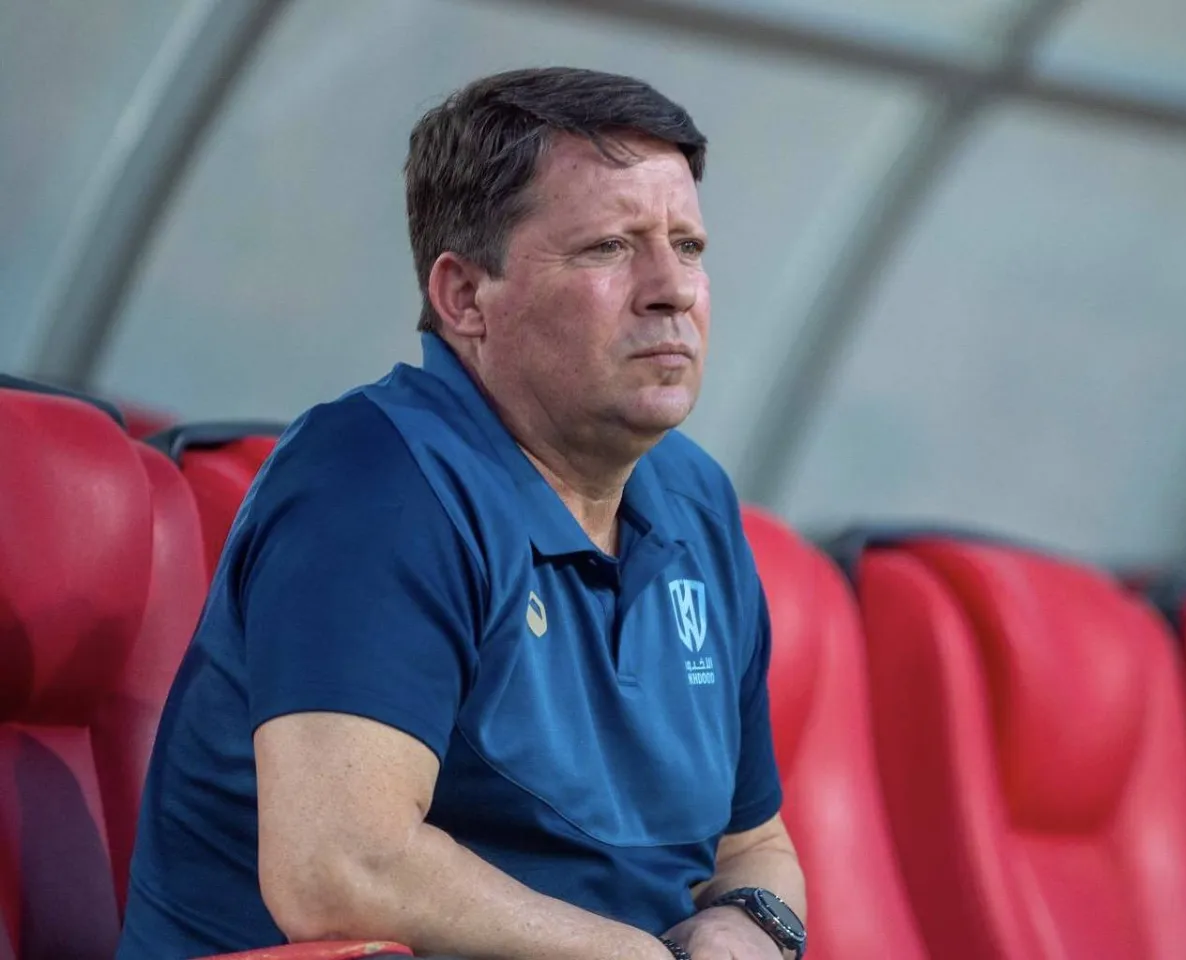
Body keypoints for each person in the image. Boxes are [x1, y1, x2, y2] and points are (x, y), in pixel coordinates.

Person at [117, 66, 807, 960]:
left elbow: (753, 843)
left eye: (689, 246)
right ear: (464, 298)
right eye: (609, 247)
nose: (671, 287)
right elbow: (342, 870)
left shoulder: (696, 501)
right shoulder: (378, 484)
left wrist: (752, 925)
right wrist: (634, 956)